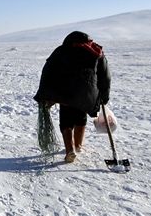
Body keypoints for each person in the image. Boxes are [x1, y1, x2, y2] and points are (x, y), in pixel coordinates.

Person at [34, 31, 111, 163]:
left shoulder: (61, 51)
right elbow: (105, 76)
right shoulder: (96, 51)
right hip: (87, 93)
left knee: (66, 120)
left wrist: (44, 94)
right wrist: (104, 95)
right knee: (80, 117)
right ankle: (78, 146)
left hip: (65, 93)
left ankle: (70, 150)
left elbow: (48, 71)